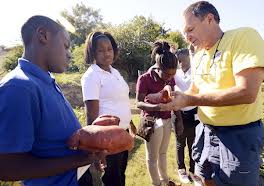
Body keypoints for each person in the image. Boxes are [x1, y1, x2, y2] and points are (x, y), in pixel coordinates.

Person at [161, 1, 264, 186]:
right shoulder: (200, 54)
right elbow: (194, 91)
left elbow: (247, 92)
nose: (187, 37)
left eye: (190, 29)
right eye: (184, 32)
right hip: (205, 131)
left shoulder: (243, 36)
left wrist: (191, 98)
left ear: (209, 19)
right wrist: (173, 98)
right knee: (204, 180)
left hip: (238, 136)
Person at [0, 15, 105, 186]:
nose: (70, 54)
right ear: (43, 35)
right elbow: (7, 167)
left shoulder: (44, 80)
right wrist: (79, 160)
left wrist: (89, 146)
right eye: (65, 46)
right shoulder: (19, 87)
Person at [81, 31, 134, 186]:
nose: (107, 53)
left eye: (109, 49)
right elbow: (91, 115)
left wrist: (129, 124)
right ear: (92, 53)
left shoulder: (114, 71)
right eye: (101, 50)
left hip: (122, 134)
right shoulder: (92, 76)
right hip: (107, 138)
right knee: (112, 179)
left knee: (120, 174)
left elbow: (121, 100)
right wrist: (95, 148)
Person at [136, 41, 181, 186]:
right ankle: (157, 184)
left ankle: (165, 181)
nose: (170, 78)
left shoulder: (170, 78)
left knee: (163, 153)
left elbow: (173, 98)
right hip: (150, 121)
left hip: (166, 119)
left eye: (173, 74)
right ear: (158, 67)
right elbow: (139, 103)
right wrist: (157, 107)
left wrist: (178, 119)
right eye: (167, 74)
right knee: (152, 157)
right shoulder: (144, 79)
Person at [172, 49, 199, 184]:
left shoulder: (196, 72)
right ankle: (181, 169)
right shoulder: (175, 74)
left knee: (193, 143)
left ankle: (193, 171)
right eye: (178, 61)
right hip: (178, 113)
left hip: (194, 113)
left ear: (189, 59)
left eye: (182, 60)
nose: (180, 63)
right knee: (180, 143)